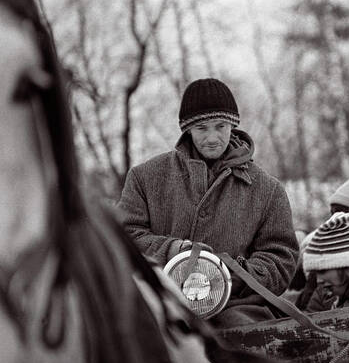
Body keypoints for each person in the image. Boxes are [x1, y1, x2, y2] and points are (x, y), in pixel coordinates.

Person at [117, 78, 298, 327]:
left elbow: (282, 258)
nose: (212, 137)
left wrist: (229, 275)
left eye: (220, 126)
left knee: (239, 340)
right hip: (160, 302)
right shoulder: (145, 178)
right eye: (202, 128)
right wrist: (173, 251)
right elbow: (123, 236)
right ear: (187, 130)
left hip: (237, 306)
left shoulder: (268, 190)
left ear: (232, 126)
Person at [291, 169, 349, 305]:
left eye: (343, 216)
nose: (335, 220)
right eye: (333, 213)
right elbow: (304, 300)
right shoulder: (318, 246)